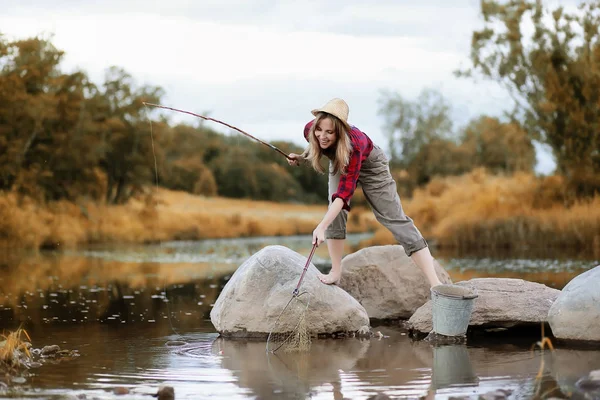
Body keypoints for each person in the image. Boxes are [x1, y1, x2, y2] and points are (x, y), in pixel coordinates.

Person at [287, 98, 443, 288]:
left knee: (394, 218)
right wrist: (302, 157)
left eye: (329, 132)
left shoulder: (354, 144)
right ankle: (336, 271)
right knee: (335, 215)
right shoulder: (310, 130)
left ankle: (435, 284)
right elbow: (316, 144)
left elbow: (343, 196)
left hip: (372, 166)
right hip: (341, 162)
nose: (322, 136)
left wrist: (321, 227)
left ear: (340, 131)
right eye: (320, 130)